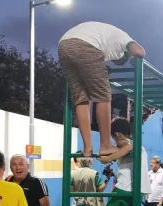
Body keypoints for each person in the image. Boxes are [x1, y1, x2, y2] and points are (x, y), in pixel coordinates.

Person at [58, 22, 146, 158]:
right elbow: (140, 51)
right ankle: (105, 145)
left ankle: (87, 148)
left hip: (63, 45)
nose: (116, 61)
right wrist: (135, 57)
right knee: (103, 96)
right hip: (86, 45)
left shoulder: (108, 40)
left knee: (81, 99)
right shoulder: (125, 38)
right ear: (124, 54)